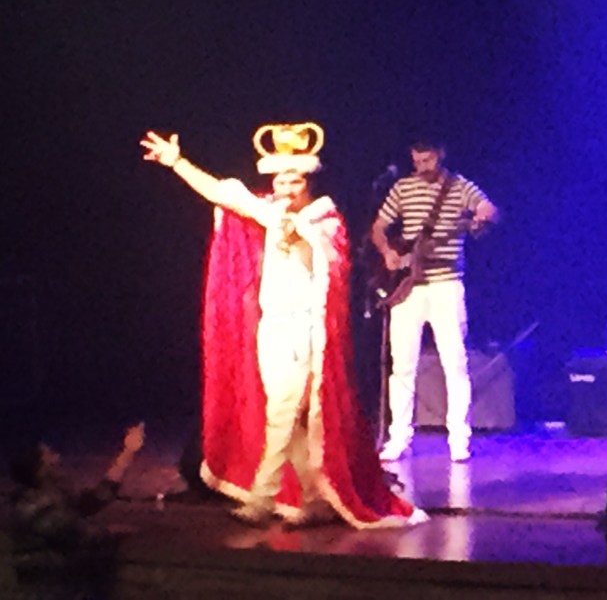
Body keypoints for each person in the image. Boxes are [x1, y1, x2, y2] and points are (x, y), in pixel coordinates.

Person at [141, 123, 424, 528]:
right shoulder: (270, 211)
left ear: (308, 181)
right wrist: (177, 162)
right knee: (294, 423)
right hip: (271, 330)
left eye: (294, 181)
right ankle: (313, 500)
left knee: (282, 413)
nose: (286, 189)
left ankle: (262, 497)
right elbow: (222, 191)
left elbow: (329, 258)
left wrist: (299, 235)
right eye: (280, 181)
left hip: (304, 333)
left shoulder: (324, 219)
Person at [371, 138, 499, 462]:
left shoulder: (459, 186)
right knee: (402, 365)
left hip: (446, 283)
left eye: (427, 160)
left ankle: (459, 438)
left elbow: (489, 209)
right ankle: (399, 438)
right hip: (407, 287)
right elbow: (379, 227)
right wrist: (387, 252)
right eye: (416, 160)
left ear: (440, 155)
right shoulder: (403, 187)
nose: (421, 167)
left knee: (454, 362)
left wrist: (482, 216)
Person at [9, 423, 144, 596]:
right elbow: (81, 534)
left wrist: (128, 452)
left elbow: (97, 497)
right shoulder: (33, 508)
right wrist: (113, 532)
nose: (58, 457)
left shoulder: (54, 497)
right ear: (40, 471)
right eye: (50, 455)